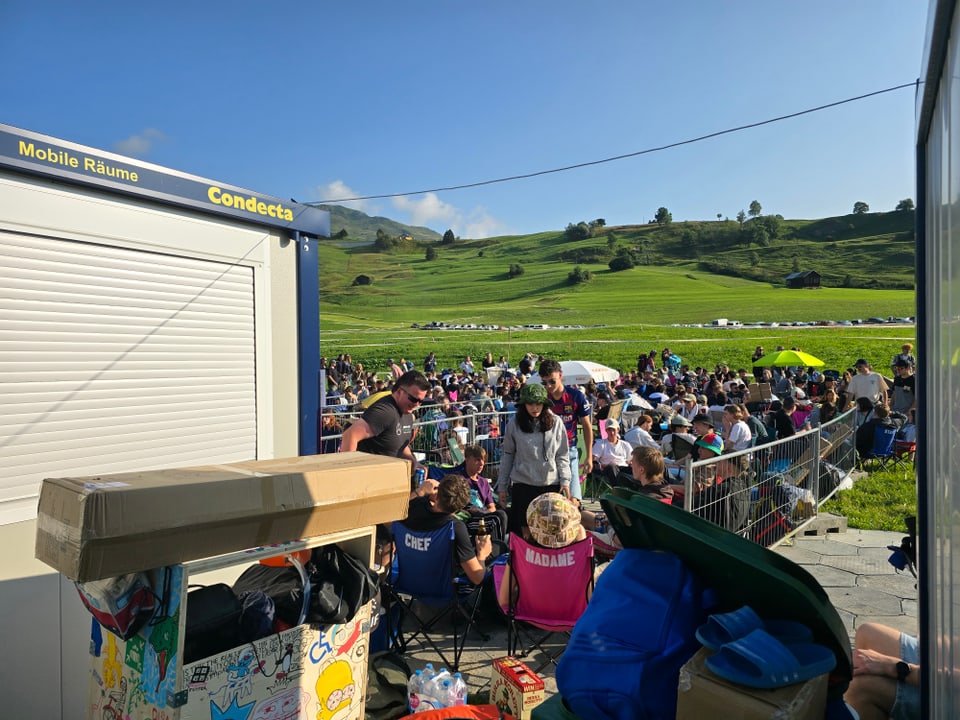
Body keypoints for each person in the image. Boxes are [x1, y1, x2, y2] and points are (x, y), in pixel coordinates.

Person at [496, 382, 571, 533]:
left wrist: (565, 480)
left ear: (544, 404)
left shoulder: (556, 422)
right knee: (524, 533)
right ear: (523, 405)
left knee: (550, 531)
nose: (535, 408)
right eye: (530, 404)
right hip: (523, 485)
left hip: (551, 484)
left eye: (538, 404)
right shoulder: (514, 424)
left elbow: (562, 454)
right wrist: (502, 486)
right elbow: (508, 455)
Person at [339, 370, 430, 481]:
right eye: (413, 399)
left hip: (389, 482)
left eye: (421, 401)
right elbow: (350, 435)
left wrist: (413, 462)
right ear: (400, 392)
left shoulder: (407, 413)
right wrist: (349, 477)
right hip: (370, 482)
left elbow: (400, 443)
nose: (416, 404)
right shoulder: (385, 411)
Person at [403, 474, 493, 586]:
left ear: (437, 493)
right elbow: (477, 578)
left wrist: (420, 491)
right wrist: (482, 554)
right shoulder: (455, 528)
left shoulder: (414, 508)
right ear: (460, 507)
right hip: (438, 589)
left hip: (407, 578)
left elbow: (396, 514)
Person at [539, 358, 593, 503]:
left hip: (570, 450)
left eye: (552, 381)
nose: (548, 386)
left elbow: (587, 426)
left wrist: (589, 456)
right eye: (544, 383)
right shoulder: (542, 399)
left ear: (560, 376)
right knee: (552, 502)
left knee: (573, 499)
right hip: (547, 454)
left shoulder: (576, 396)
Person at [844, 622, 920, 720]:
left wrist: (890, 665)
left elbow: (940, 679)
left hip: (940, 687)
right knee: (867, 633)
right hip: (940, 658)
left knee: (860, 686)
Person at [451, 444, 508, 542]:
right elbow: (450, 504)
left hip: (483, 515)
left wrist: (482, 512)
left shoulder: (483, 482)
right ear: (467, 460)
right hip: (468, 519)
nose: (482, 463)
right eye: (477, 459)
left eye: (483, 460)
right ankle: (499, 551)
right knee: (499, 517)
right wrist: (466, 511)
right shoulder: (458, 479)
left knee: (505, 513)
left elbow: (492, 507)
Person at [592, 419, 634, 484]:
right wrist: (605, 465)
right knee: (612, 467)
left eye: (613, 430)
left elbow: (631, 460)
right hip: (608, 469)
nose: (612, 433)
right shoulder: (600, 444)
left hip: (623, 468)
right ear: (606, 431)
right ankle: (618, 489)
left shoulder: (625, 445)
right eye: (609, 430)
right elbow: (593, 461)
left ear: (618, 430)